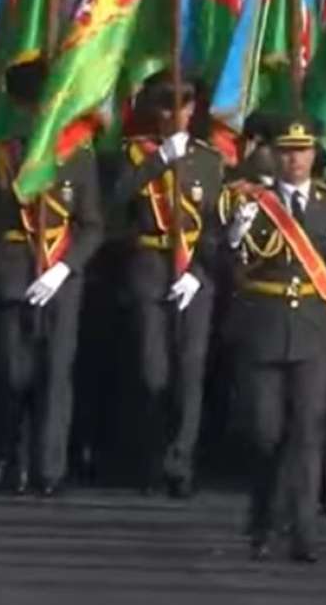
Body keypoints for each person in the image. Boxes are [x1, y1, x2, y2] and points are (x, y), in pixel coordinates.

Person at [218, 116, 326, 563]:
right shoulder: (247, 202)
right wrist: (233, 236)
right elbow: (220, 265)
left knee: (307, 432)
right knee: (265, 432)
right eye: (286, 151)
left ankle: (302, 531)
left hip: (315, 331)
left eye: (302, 150)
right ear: (272, 156)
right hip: (263, 325)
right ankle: (264, 515)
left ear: (314, 154)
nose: (294, 159)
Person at [0, 60, 104, 496]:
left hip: (60, 279)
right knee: (11, 373)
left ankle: (48, 469)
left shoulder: (78, 157)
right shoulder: (5, 154)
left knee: (56, 375)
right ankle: (8, 459)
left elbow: (92, 224)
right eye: (32, 107)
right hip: (15, 270)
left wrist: (63, 268)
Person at [111, 71, 224, 498]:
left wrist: (198, 272)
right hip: (150, 265)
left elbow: (216, 222)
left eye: (183, 104)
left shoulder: (209, 161)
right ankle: (150, 458)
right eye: (165, 104)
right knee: (152, 369)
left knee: (190, 372)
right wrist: (160, 160)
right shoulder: (134, 155)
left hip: (196, 273)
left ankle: (181, 463)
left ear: (194, 109)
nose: (174, 113)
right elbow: (117, 198)